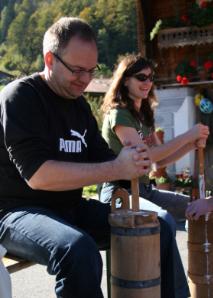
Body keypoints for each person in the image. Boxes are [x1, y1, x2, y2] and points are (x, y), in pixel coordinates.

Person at [0, 17, 182, 298]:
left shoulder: (80, 105)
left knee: (155, 227)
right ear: (50, 59)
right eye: (77, 70)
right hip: (17, 212)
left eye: (91, 70)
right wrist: (116, 166)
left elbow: (106, 158)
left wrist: (137, 159)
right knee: (78, 250)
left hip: (70, 207)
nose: (85, 79)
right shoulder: (20, 97)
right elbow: (39, 176)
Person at [100, 54, 209, 298]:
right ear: (125, 80)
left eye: (151, 77)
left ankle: (204, 283)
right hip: (120, 193)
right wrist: (189, 135)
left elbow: (157, 162)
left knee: (198, 208)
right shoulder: (119, 114)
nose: (148, 82)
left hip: (144, 189)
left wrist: (190, 146)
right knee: (164, 221)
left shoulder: (143, 115)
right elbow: (145, 156)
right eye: (141, 77)